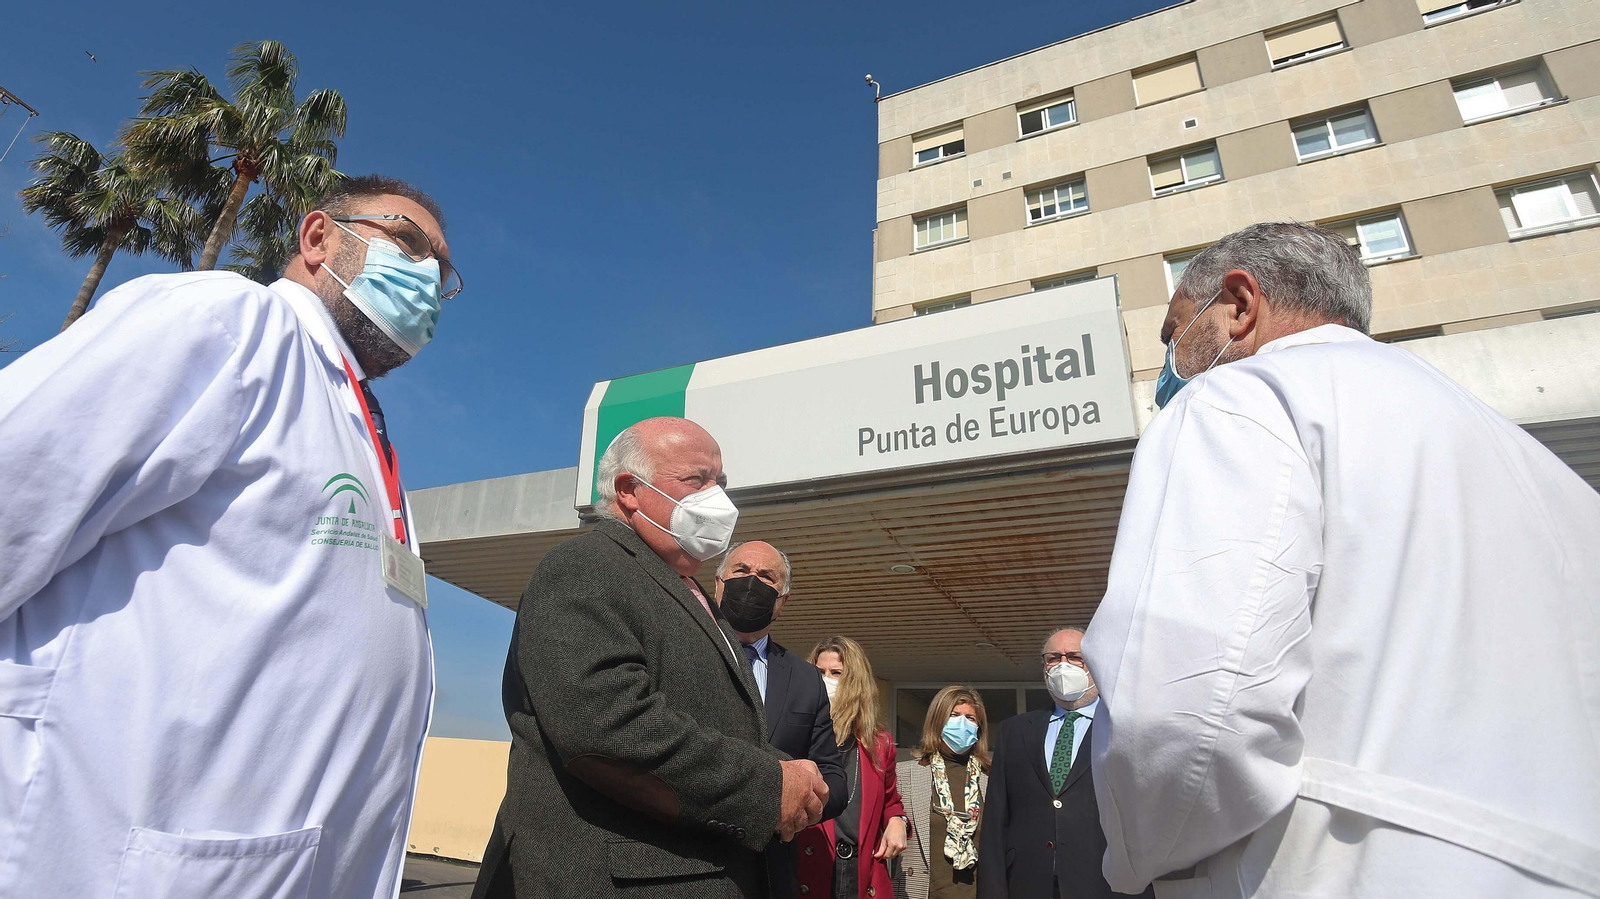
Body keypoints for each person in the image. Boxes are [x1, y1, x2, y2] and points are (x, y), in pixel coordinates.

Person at [1084, 221, 1600, 899]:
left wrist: (1133, 862)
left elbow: (1183, 719)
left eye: (1174, 331)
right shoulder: (1546, 470)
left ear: (1239, 305)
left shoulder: (1242, 398)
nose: (1168, 364)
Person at [0, 175, 458, 898]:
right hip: (131, 856)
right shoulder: (231, 324)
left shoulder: (357, 422)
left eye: (442, 271)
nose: (428, 276)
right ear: (317, 239)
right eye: (407, 242)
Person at [474, 417, 830, 898]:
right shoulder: (585, 566)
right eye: (696, 480)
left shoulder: (691, 592)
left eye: (720, 483)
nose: (718, 498)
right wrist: (767, 785)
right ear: (629, 491)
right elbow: (606, 725)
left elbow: (716, 722)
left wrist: (791, 774)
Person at [714, 542, 849, 899]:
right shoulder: (679, 651)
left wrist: (797, 800)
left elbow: (833, 778)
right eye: (741, 571)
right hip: (690, 864)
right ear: (718, 583)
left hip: (772, 872)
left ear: (782, 602)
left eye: (767, 577)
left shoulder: (806, 678)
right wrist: (773, 784)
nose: (752, 582)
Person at [977, 628, 1149, 899]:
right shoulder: (1016, 730)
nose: (1062, 665)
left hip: (1106, 886)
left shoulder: (1125, 728)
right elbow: (997, 821)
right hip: (1027, 885)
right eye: (1053, 658)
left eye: (1075, 657)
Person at [799, 636, 909, 899]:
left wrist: (897, 820)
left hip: (862, 874)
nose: (825, 680)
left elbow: (891, 801)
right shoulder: (797, 738)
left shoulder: (879, 746)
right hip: (810, 871)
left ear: (855, 683)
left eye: (836, 673)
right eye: (818, 672)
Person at [896, 686, 991, 899]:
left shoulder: (991, 780)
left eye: (970, 718)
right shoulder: (903, 775)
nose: (962, 724)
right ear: (937, 721)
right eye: (954, 716)